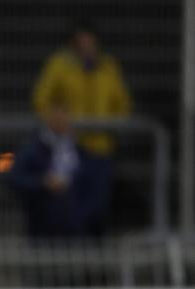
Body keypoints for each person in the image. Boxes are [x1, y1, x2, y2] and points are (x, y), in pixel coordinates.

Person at [32, 20, 132, 236]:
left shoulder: (107, 67)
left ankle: (94, 263)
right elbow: (42, 99)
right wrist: (57, 119)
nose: (87, 49)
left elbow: (121, 103)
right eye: (81, 44)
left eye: (90, 44)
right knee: (71, 207)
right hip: (70, 147)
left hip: (101, 148)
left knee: (98, 207)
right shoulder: (60, 66)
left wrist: (113, 124)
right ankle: (74, 259)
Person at [9, 105, 89, 238]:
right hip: (42, 225)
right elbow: (15, 178)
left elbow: (88, 184)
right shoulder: (32, 149)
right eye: (56, 118)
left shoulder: (79, 150)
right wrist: (43, 183)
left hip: (75, 227)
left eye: (64, 117)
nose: (61, 121)